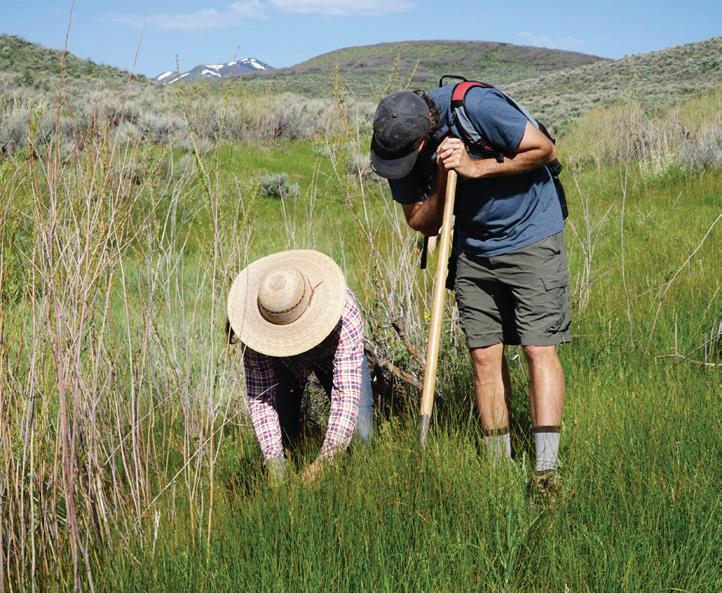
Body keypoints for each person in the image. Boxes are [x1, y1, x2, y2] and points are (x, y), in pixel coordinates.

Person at [370, 86, 570, 493]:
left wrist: (476, 168)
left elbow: (544, 150)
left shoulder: (475, 106)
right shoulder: (394, 142)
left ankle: (545, 471)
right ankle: (498, 470)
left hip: (531, 233)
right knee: (483, 355)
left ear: (422, 139)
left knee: (537, 347)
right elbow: (423, 222)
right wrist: (444, 178)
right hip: (473, 249)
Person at [226, 249, 374, 484]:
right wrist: (274, 460)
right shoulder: (254, 329)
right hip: (284, 364)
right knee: (285, 441)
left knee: (361, 434)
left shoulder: (343, 310)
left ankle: (359, 485)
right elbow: (261, 398)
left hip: (333, 355)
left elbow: (346, 396)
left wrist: (324, 462)